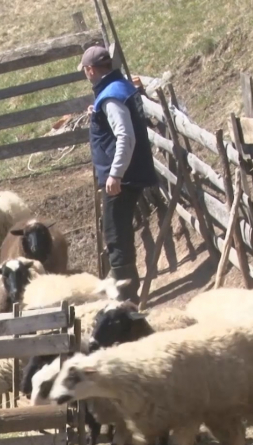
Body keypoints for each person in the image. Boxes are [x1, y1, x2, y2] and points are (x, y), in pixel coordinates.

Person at [79, 45, 158, 303]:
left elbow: (125, 135)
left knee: (115, 236)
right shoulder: (120, 87)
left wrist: (115, 174)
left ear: (91, 70)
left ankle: (126, 298)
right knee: (119, 233)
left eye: (85, 71)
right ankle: (126, 291)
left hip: (122, 178)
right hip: (131, 173)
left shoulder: (111, 97)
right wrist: (97, 113)